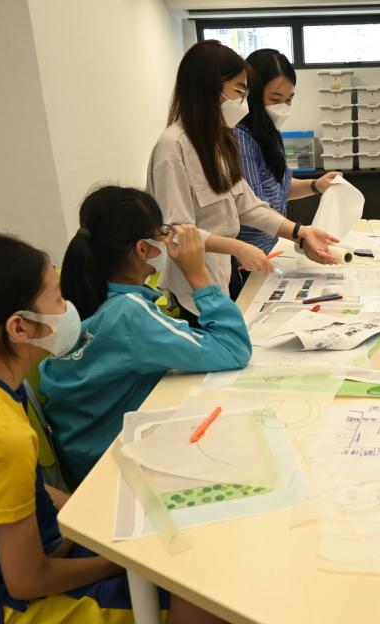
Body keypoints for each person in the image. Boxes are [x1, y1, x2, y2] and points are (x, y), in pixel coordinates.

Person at [0, 234, 215, 623]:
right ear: (20, 327)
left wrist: (91, 518)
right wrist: (121, 560)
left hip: (6, 568)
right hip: (4, 606)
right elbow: (27, 581)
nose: (68, 308)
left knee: (183, 556)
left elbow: (26, 487)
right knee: (201, 594)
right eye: (58, 298)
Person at [39, 186, 253, 485]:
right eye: (162, 233)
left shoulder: (87, 290)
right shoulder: (129, 313)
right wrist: (197, 272)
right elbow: (233, 350)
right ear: (143, 249)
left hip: (82, 454)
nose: (167, 239)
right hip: (109, 472)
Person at [147, 40, 338, 320]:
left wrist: (299, 232)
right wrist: (237, 246)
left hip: (225, 272)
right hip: (192, 288)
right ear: (208, 88)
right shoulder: (172, 148)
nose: (243, 102)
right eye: (238, 90)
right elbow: (174, 232)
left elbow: (247, 204)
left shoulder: (218, 142)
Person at [234, 48, 341, 257]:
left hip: (269, 246)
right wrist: (301, 235)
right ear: (252, 94)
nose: (283, 107)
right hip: (246, 253)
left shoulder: (270, 133)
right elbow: (254, 208)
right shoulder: (240, 137)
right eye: (275, 99)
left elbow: (278, 189)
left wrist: (316, 185)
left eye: (289, 99)